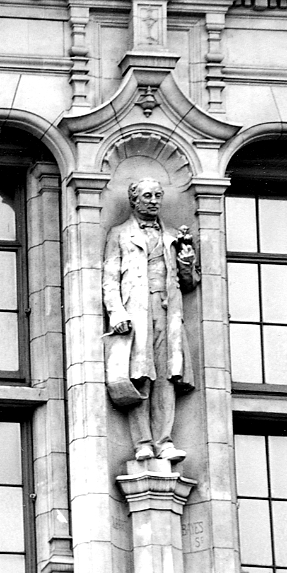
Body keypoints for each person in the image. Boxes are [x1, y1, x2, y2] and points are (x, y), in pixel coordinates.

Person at [102, 177, 199, 463]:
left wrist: (186, 259)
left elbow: (189, 281)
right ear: (134, 200)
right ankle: (143, 442)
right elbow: (110, 277)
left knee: (167, 377)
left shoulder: (172, 236)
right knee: (140, 376)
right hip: (136, 312)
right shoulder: (120, 234)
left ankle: (164, 441)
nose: (154, 200)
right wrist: (117, 312)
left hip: (167, 311)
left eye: (158, 195)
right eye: (147, 196)